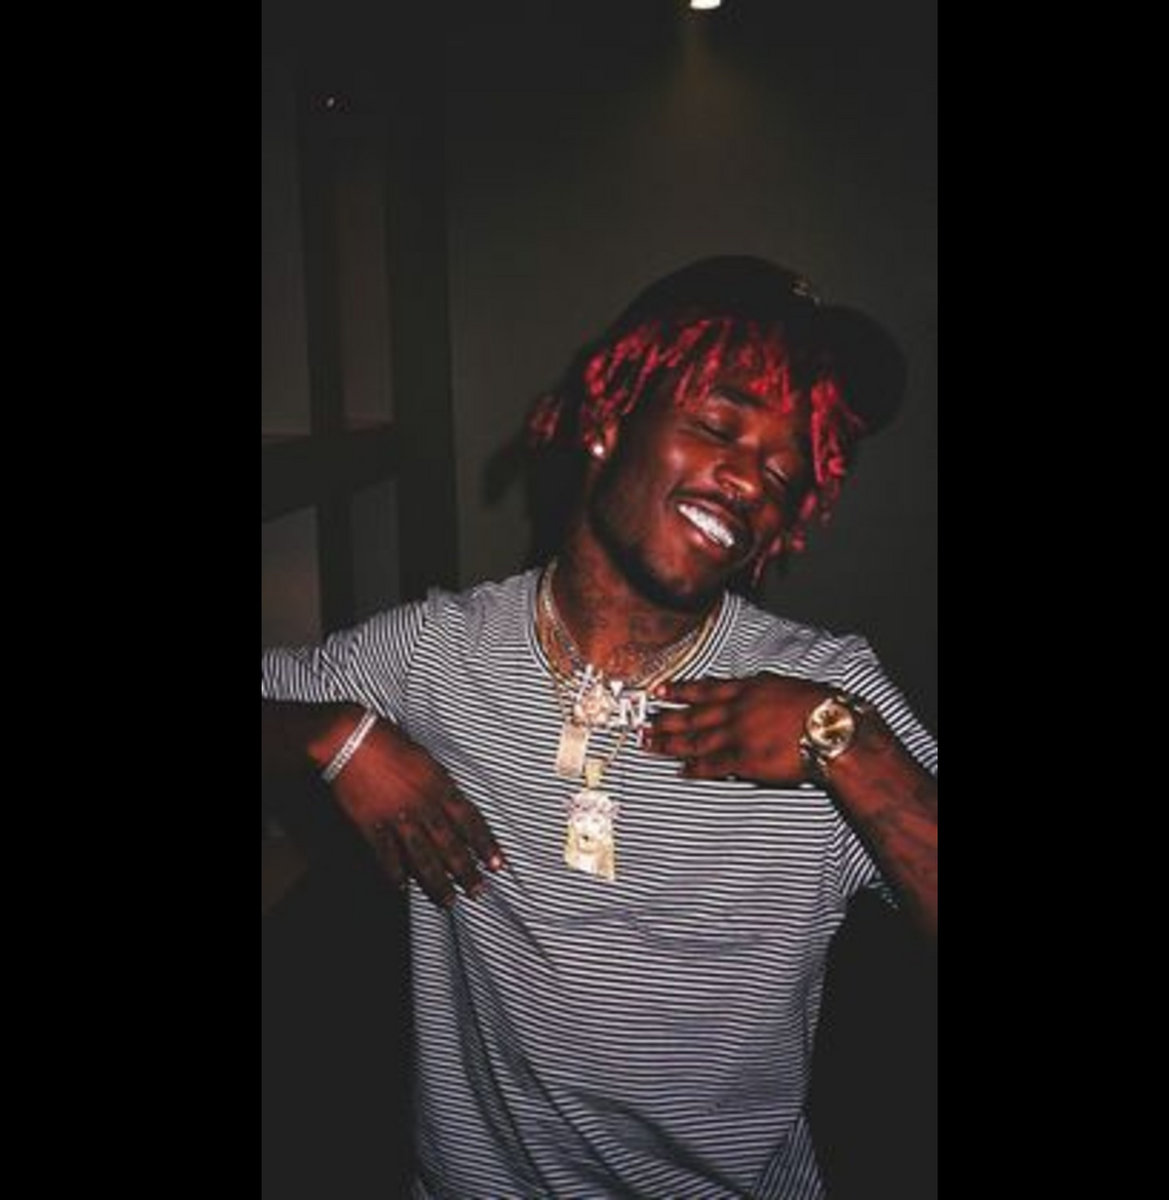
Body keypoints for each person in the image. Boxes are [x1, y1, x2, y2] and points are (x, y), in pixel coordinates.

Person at [261, 254, 937, 1198]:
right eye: (718, 426)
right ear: (609, 419)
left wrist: (847, 746)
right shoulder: (436, 654)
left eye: (785, 473)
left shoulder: (831, 692)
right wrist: (332, 737)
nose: (751, 480)